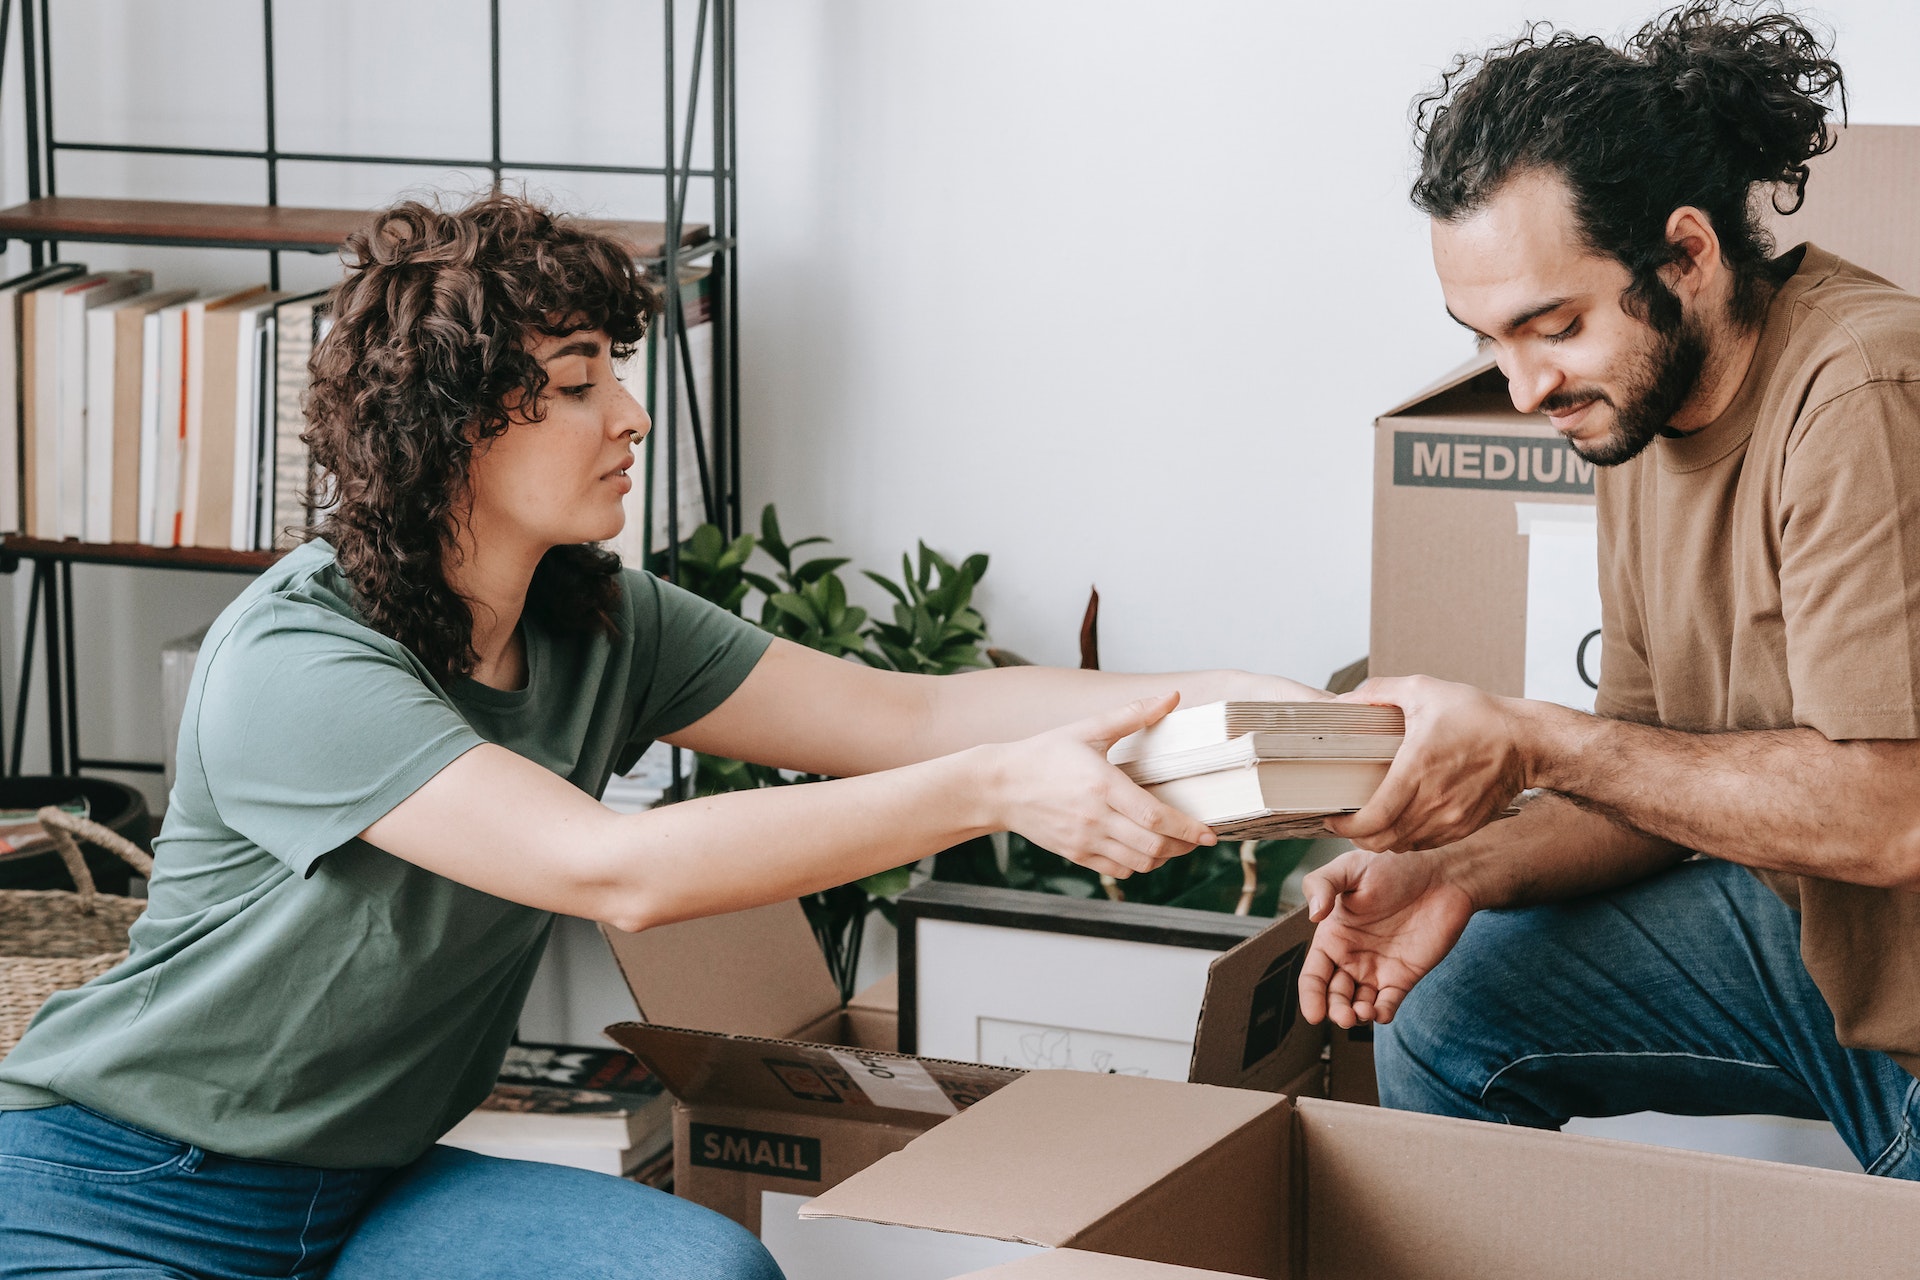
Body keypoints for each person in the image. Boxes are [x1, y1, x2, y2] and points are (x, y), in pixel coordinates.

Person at [0, 193, 1326, 1278]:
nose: (629, 418)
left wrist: (1229, 695)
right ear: (450, 423)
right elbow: (609, 870)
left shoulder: (597, 621)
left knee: (708, 1277)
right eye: (578, 384)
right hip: (121, 1184)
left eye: (617, 377)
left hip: (370, 1191)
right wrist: (992, 790)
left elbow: (900, 713)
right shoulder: (301, 660)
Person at [1297, 1, 1920, 1179]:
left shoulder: (1861, 394)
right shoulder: (1635, 407)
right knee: (1450, 998)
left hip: (1901, 956)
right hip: (1822, 939)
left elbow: (1892, 816)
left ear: (1686, 253)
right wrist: (1455, 870)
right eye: (1490, 340)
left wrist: (1533, 738)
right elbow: (1645, 769)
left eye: (1555, 325)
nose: (1523, 387)